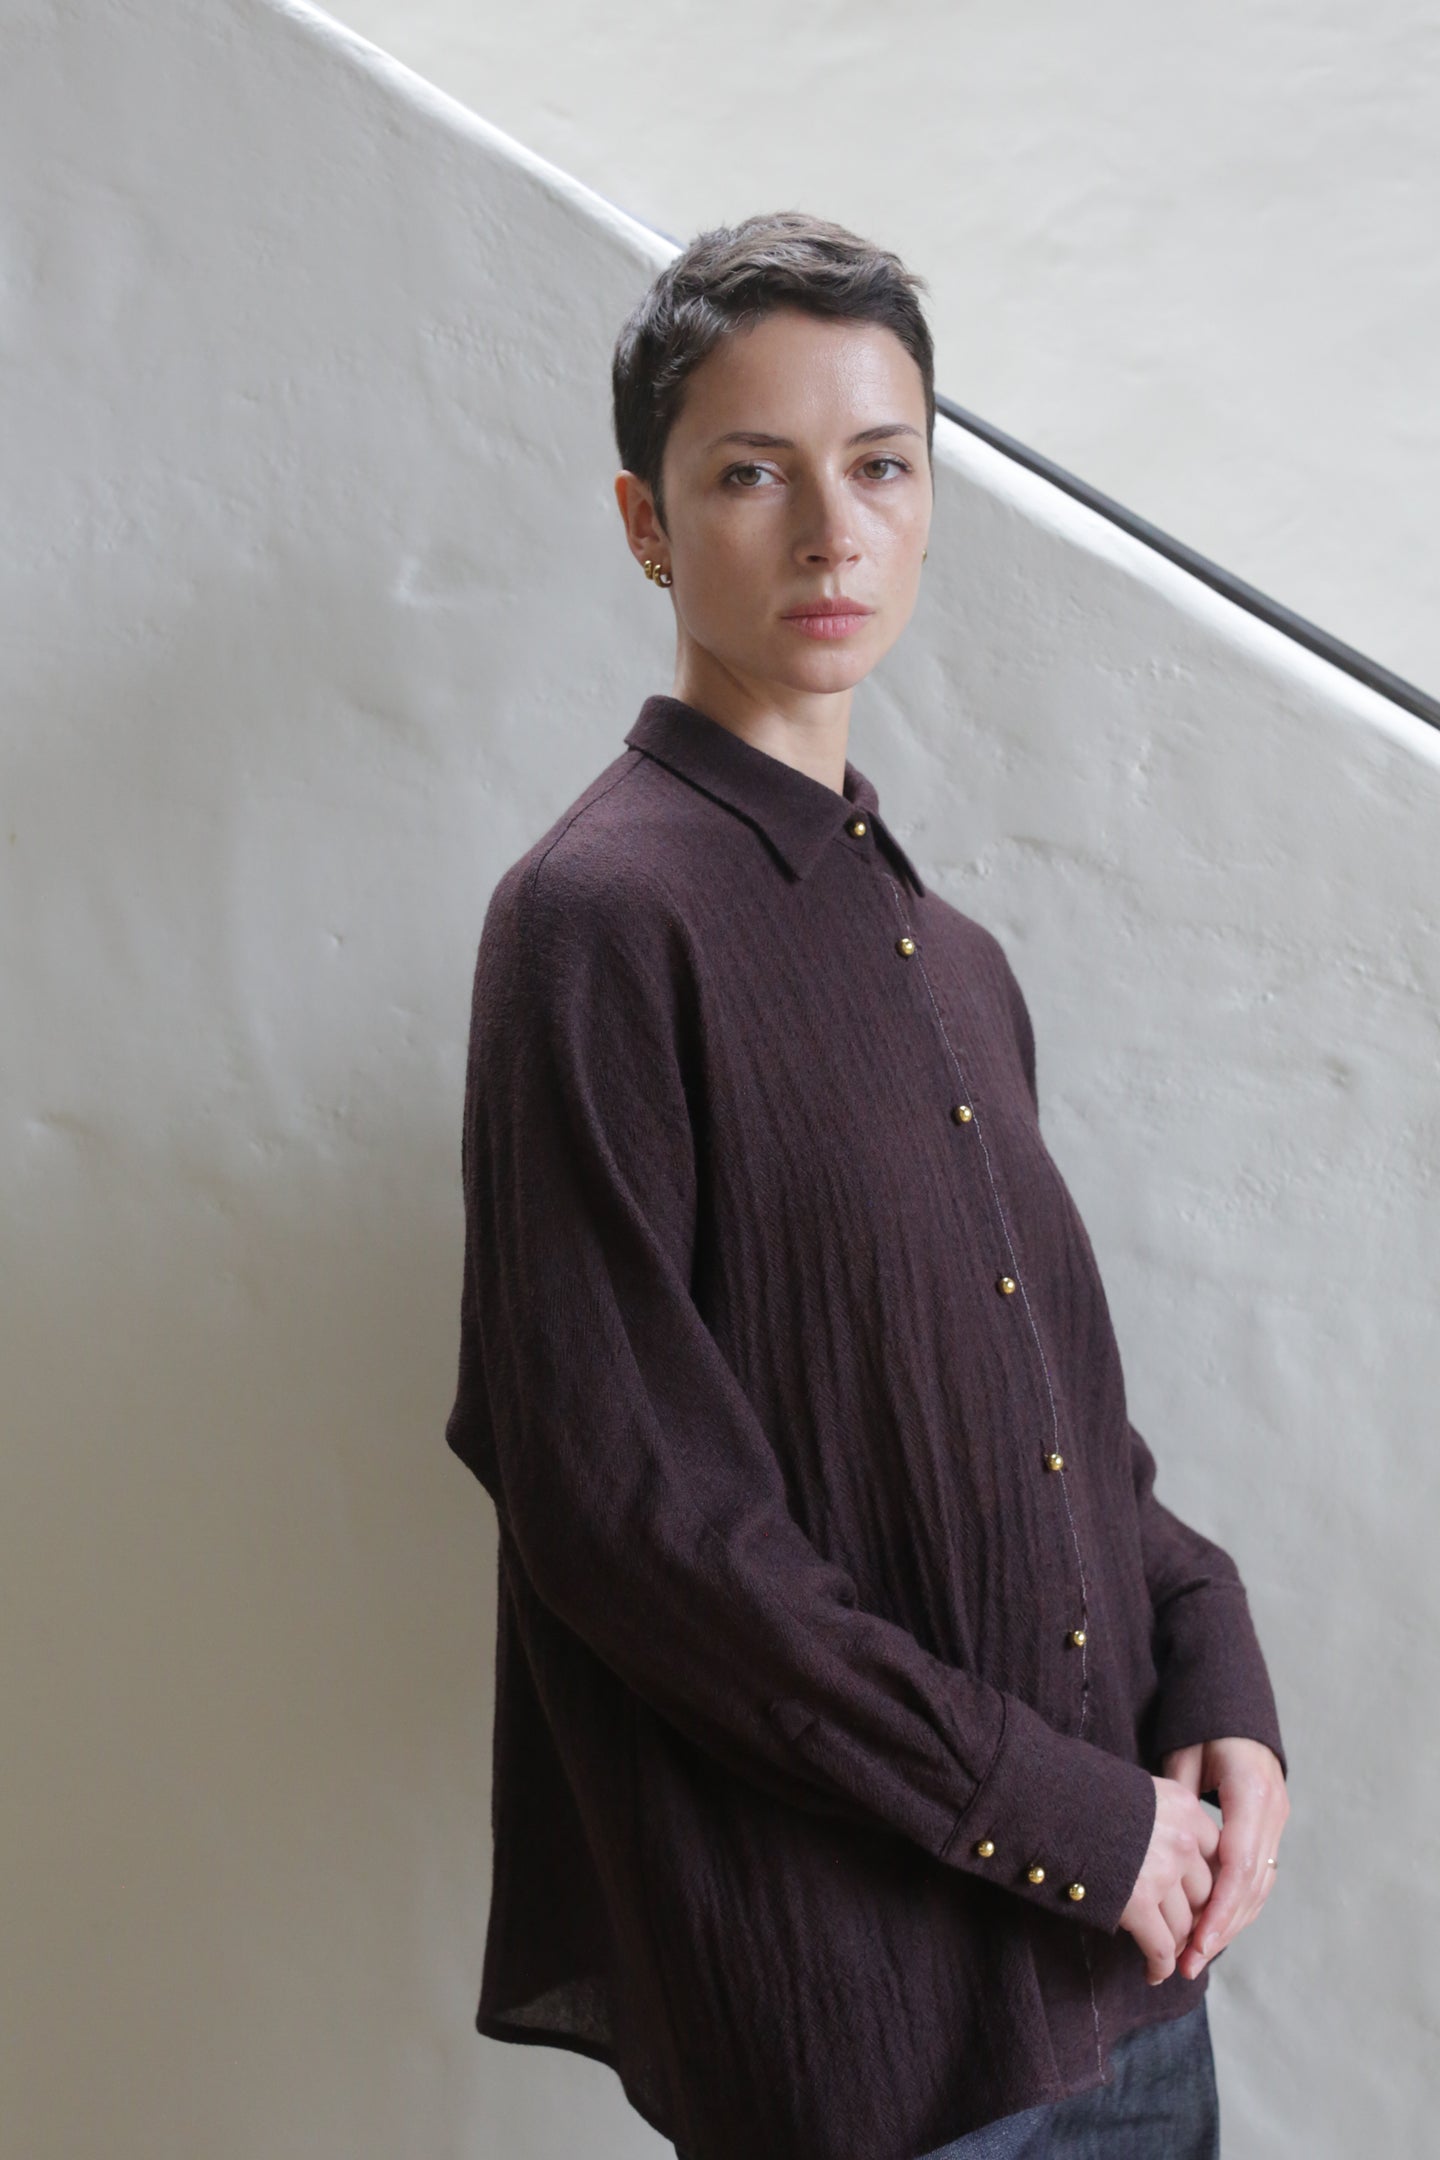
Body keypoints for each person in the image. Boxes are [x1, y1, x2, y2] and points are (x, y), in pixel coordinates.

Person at [443, 211, 1289, 2160]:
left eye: (880, 467)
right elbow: (630, 1519)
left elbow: (1068, 1439)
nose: (833, 532)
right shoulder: (598, 922)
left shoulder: (955, 957)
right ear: (650, 526)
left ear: (926, 506)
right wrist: (1064, 1815)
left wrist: (1216, 1667)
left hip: (1126, 1973)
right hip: (867, 2033)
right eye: (754, 473)